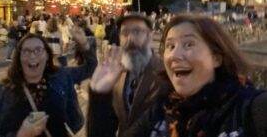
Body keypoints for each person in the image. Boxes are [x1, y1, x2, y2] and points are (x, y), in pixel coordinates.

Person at [112, 14, 267, 137]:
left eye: (188, 44)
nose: (174, 55)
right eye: (170, 46)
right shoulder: (162, 109)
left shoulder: (251, 109)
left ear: (216, 58)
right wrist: (100, 94)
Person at [0, 26, 97, 137]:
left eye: (38, 50)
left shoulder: (61, 77)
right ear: (19, 57)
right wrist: (21, 135)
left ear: (47, 56)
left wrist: (85, 44)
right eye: (26, 51)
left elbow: (90, 69)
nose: (32, 56)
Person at [87, 13, 168, 137]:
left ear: (150, 36)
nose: (130, 39)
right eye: (125, 33)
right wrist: (98, 96)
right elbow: (105, 127)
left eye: (137, 32)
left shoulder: (166, 73)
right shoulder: (116, 74)